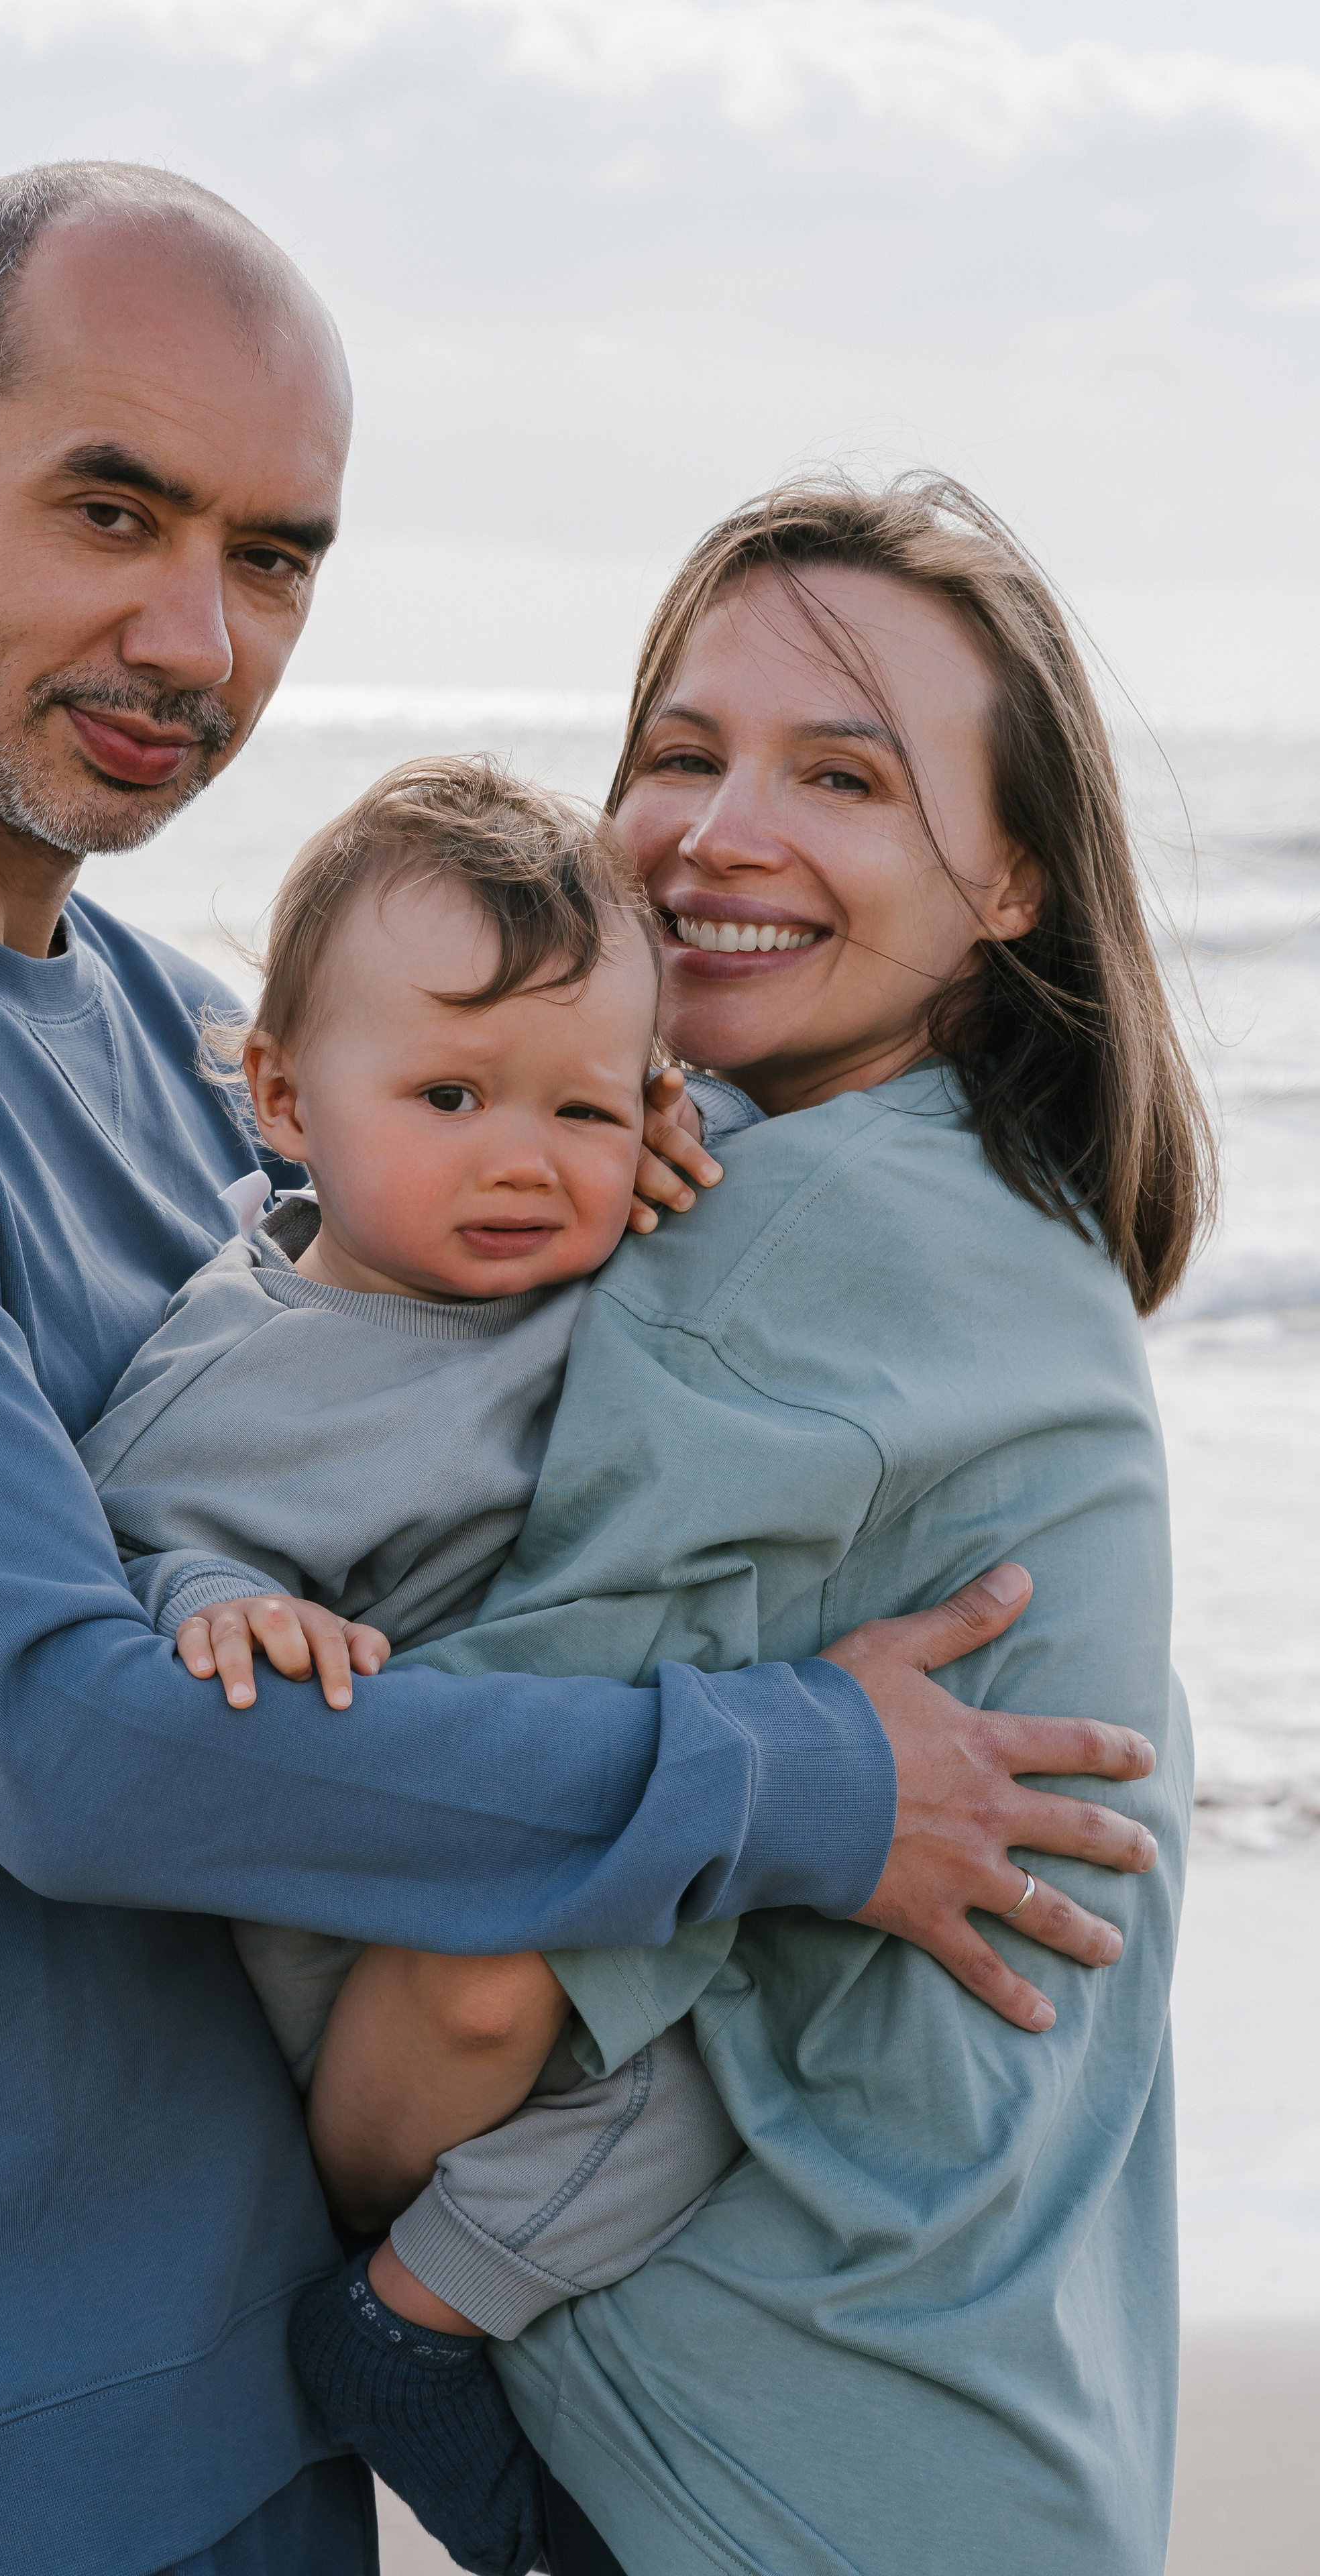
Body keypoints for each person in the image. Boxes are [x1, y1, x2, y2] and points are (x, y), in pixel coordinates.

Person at [0, 155, 1157, 2576]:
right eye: (110, 508)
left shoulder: (156, 1018)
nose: (192, 634)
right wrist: (799, 1776)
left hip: (241, 2397)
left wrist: (615, 1135)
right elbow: (75, 1739)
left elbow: (414, 1378)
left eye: (275, 553)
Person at [308, 476, 1211, 2575]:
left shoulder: (777, 1259)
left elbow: (466, 1971)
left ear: (1011, 876)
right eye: (681, 755)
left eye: (845, 775)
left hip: (753, 2466)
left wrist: (347, 2221)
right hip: (1006, 2442)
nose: (721, 834)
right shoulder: (1016, 1220)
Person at [80, 755, 749, 2573]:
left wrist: (695, 1141)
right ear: (287, 1098)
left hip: (565, 1828)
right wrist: (213, 1595)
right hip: (360, 1935)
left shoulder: (572, 1259)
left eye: (585, 1112)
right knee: (702, 2073)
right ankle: (411, 2329)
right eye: (448, 1095)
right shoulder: (247, 1371)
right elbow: (118, 1537)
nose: (522, 1156)